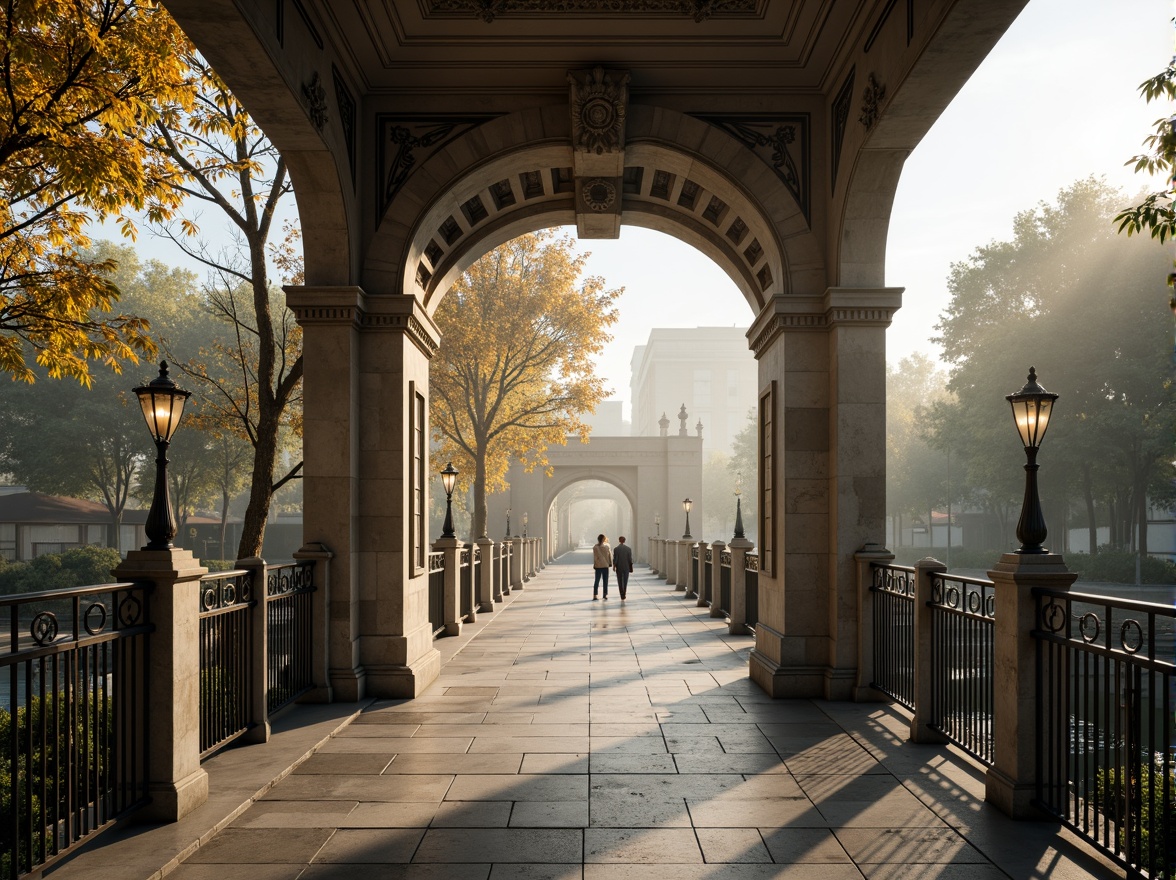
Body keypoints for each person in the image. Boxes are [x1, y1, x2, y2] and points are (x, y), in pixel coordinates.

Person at [612, 535, 634, 600]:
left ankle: (621, 593)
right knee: (625, 580)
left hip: (619, 567)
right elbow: (630, 559)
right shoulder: (628, 549)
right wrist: (631, 566)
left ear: (619, 541)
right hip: (626, 566)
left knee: (620, 580)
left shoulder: (616, 549)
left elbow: (615, 559)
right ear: (624, 541)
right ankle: (624, 592)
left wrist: (614, 566)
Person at [592, 534, 612, 600]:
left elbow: (595, 557)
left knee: (597, 581)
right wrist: (610, 563)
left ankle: (595, 595)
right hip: (605, 565)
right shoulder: (607, 546)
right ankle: (605, 594)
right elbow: (610, 555)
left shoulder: (595, 547)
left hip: (598, 566)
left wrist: (595, 565)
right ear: (604, 539)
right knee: (605, 581)